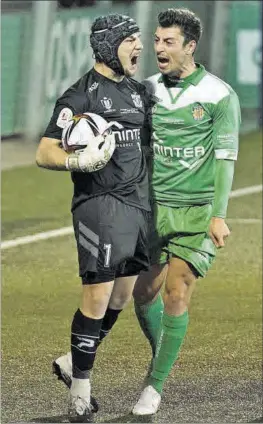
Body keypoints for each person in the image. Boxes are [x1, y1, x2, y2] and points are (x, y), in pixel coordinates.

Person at [36, 13, 154, 422]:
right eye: (130, 40)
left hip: (138, 207)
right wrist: (78, 158)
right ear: (108, 46)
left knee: (121, 298)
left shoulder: (140, 93)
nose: (139, 47)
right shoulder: (79, 96)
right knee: (98, 297)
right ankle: (80, 397)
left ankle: (72, 362)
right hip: (99, 206)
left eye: (139, 39)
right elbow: (45, 151)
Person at [131, 7, 241, 415]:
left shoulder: (218, 95)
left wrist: (218, 214)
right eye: (157, 40)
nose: (159, 48)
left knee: (177, 293)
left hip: (196, 213)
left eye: (168, 42)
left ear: (190, 46)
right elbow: (137, 149)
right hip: (152, 210)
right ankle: (164, 353)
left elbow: (225, 159)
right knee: (143, 294)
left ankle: (153, 385)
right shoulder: (146, 91)